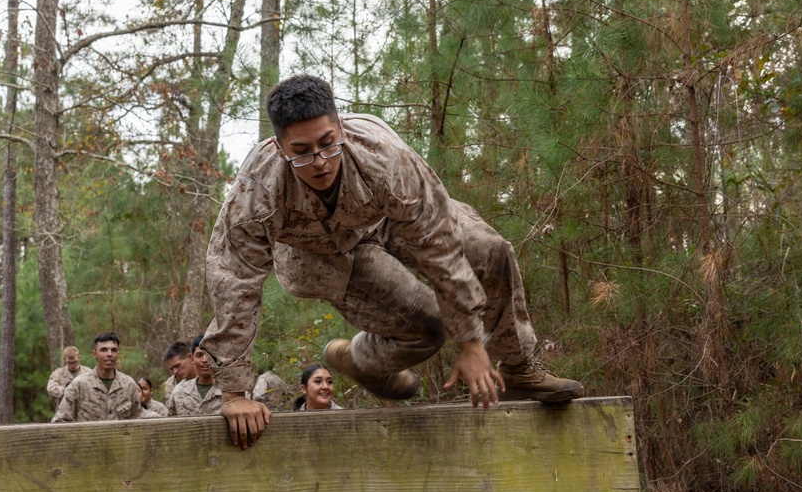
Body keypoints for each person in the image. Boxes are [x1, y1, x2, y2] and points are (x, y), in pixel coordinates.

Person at [201, 75, 583, 448]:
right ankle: (361, 358)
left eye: (327, 144)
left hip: (385, 218)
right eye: (301, 152)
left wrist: (470, 340)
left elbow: (439, 244)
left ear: (342, 130)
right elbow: (234, 282)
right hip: (317, 253)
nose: (319, 162)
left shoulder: (385, 156)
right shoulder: (258, 189)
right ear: (280, 147)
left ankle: (519, 368)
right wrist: (234, 392)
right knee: (430, 327)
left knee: (489, 250)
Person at [52, 332, 141, 423]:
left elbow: (137, 421)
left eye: (113, 350)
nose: (109, 354)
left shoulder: (129, 385)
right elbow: (60, 421)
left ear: (118, 353)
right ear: (94, 354)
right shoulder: (79, 385)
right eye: (104, 350)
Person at [167, 335, 223, 417]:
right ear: (192, 358)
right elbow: (170, 425)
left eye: (210, 355)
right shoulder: (179, 392)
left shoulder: (232, 392)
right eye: (199, 355)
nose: (205, 360)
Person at [46, 346, 92, 412]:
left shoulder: (88, 372)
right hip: (64, 412)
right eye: (69, 363)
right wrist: (66, 389)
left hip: (84, 412)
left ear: (79, 357)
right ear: (64, 359)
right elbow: (50, 389)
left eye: (75, 362)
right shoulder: (58, 373)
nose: (72, 365)